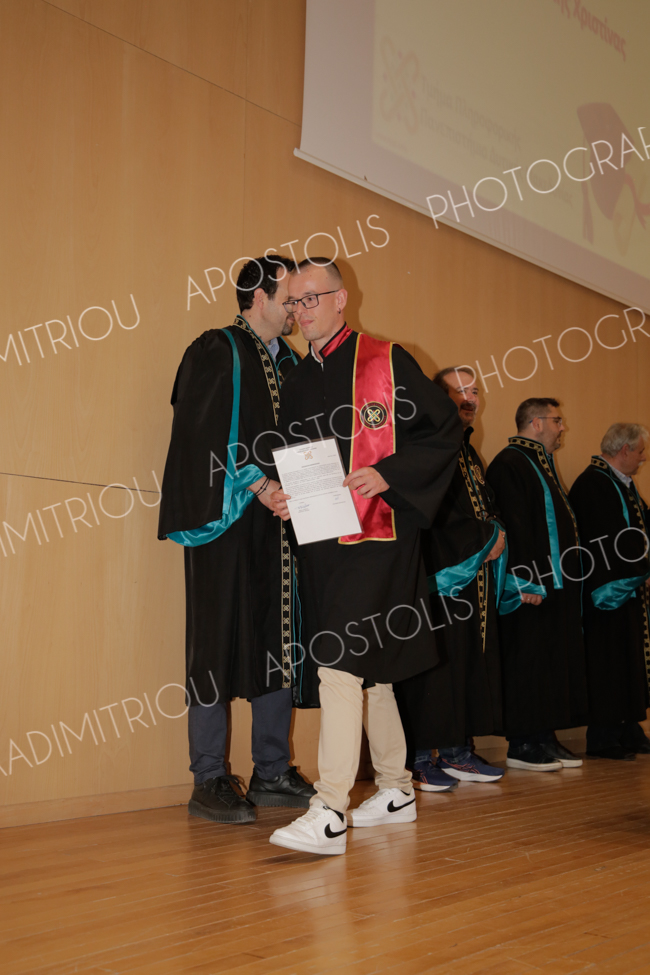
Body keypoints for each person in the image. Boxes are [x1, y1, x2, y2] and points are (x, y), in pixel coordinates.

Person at [267, 258, 463, 855]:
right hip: (324, 541)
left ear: (340, 299)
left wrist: (389, 473)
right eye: (293, 301)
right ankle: (397, 788)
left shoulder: (386, 360)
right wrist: (285, 496)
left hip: (378, 537)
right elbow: (299, 460)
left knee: (336, 661)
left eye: (311, 298)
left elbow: (444, 430)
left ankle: (329, 808)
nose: (301, 311)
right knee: (371, 667)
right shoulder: (298, 379)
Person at [157, 256, 315, 824]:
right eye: (289, 297)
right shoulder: (216, 348)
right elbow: (199, 430)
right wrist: (258, 483)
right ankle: (208, 777)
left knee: (278, 636)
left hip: (279, 524)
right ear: (260, 297)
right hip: (223, 519)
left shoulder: (293, 363)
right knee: (215, 643)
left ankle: (271, 770)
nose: (297, 308)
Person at [395, 367, 506, 790]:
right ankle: (421, 757)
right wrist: (485, 536)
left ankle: (457, 750)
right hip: (437, 577)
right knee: (433, 668)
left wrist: (493, 532)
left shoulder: (468, 450)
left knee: (464, 664)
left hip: (470, 576)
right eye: (459, 391)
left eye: (474, 390)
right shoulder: (425, 445)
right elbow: (432, 515)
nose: (469, 398)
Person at [486, 398, 588, 772]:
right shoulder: (510, 463)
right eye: (557, 421)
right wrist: (523, 581)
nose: (562, 428)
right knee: (526, 662)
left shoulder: (539, 463)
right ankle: (522, 743)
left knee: (548, 663)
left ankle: (543, 736)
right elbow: (513, 526)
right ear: (536, 423)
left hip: (553, 587)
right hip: (528, 589)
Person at [569, 423, 650, 760]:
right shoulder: (594, 483)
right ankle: (603, 736)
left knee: (629, 660)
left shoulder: (620, 483)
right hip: (605, 592)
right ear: (625, 450)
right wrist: (639, 570)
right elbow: (604, 540)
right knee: (607, 663)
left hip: (626, 588)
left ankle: (628, 727)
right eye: (641, 451)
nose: (643, 458)